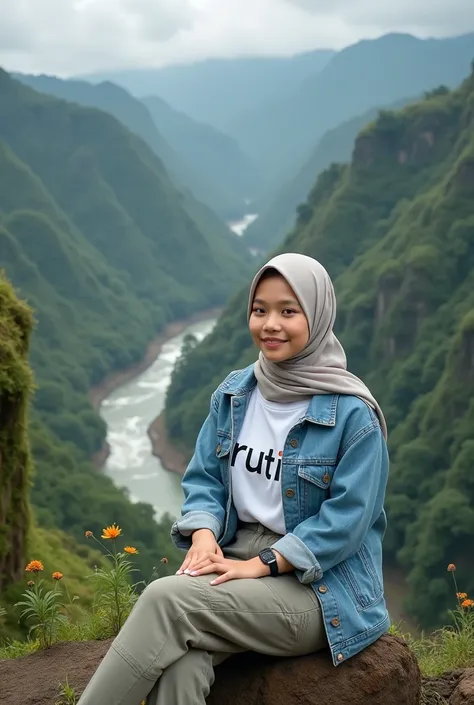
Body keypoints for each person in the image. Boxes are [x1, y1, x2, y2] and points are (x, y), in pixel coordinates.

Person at [78, 252, 390, 705]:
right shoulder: (235, 393)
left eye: (288, 311)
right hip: (237, 563)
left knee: (168, 601)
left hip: (318, 591)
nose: (270, 324)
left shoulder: (353, 416)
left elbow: (347, 522)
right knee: (182, 666)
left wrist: (260, 565)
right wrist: (204, 535)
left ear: (318, 316)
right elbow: (205, 478)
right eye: (260, 309)